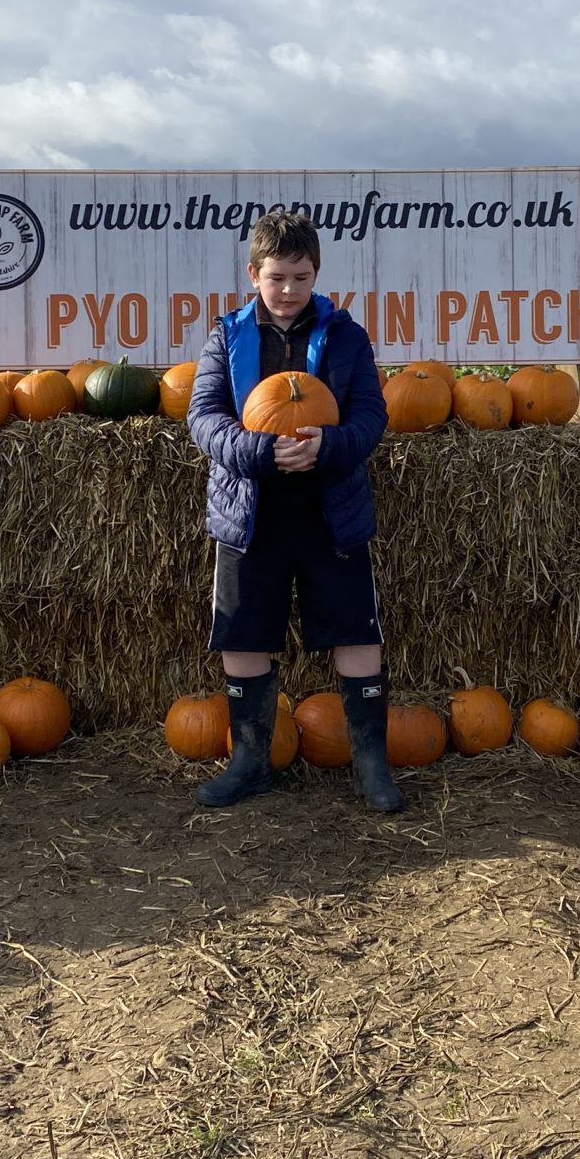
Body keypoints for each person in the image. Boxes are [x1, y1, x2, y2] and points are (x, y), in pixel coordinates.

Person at [185, 209, 397, 811]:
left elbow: (371, 418)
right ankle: (250, 761)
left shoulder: (347, 336)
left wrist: (326, 447)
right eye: (276, 278)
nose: (287, 291)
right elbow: (203, 419)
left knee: (356, 629)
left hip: (331, 508)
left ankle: (370, 766)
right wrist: (261, 450)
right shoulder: (226, 336)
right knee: (246, 632)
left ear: (316, 275)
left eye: (300, 278)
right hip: (251, 511)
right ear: (254, 274)